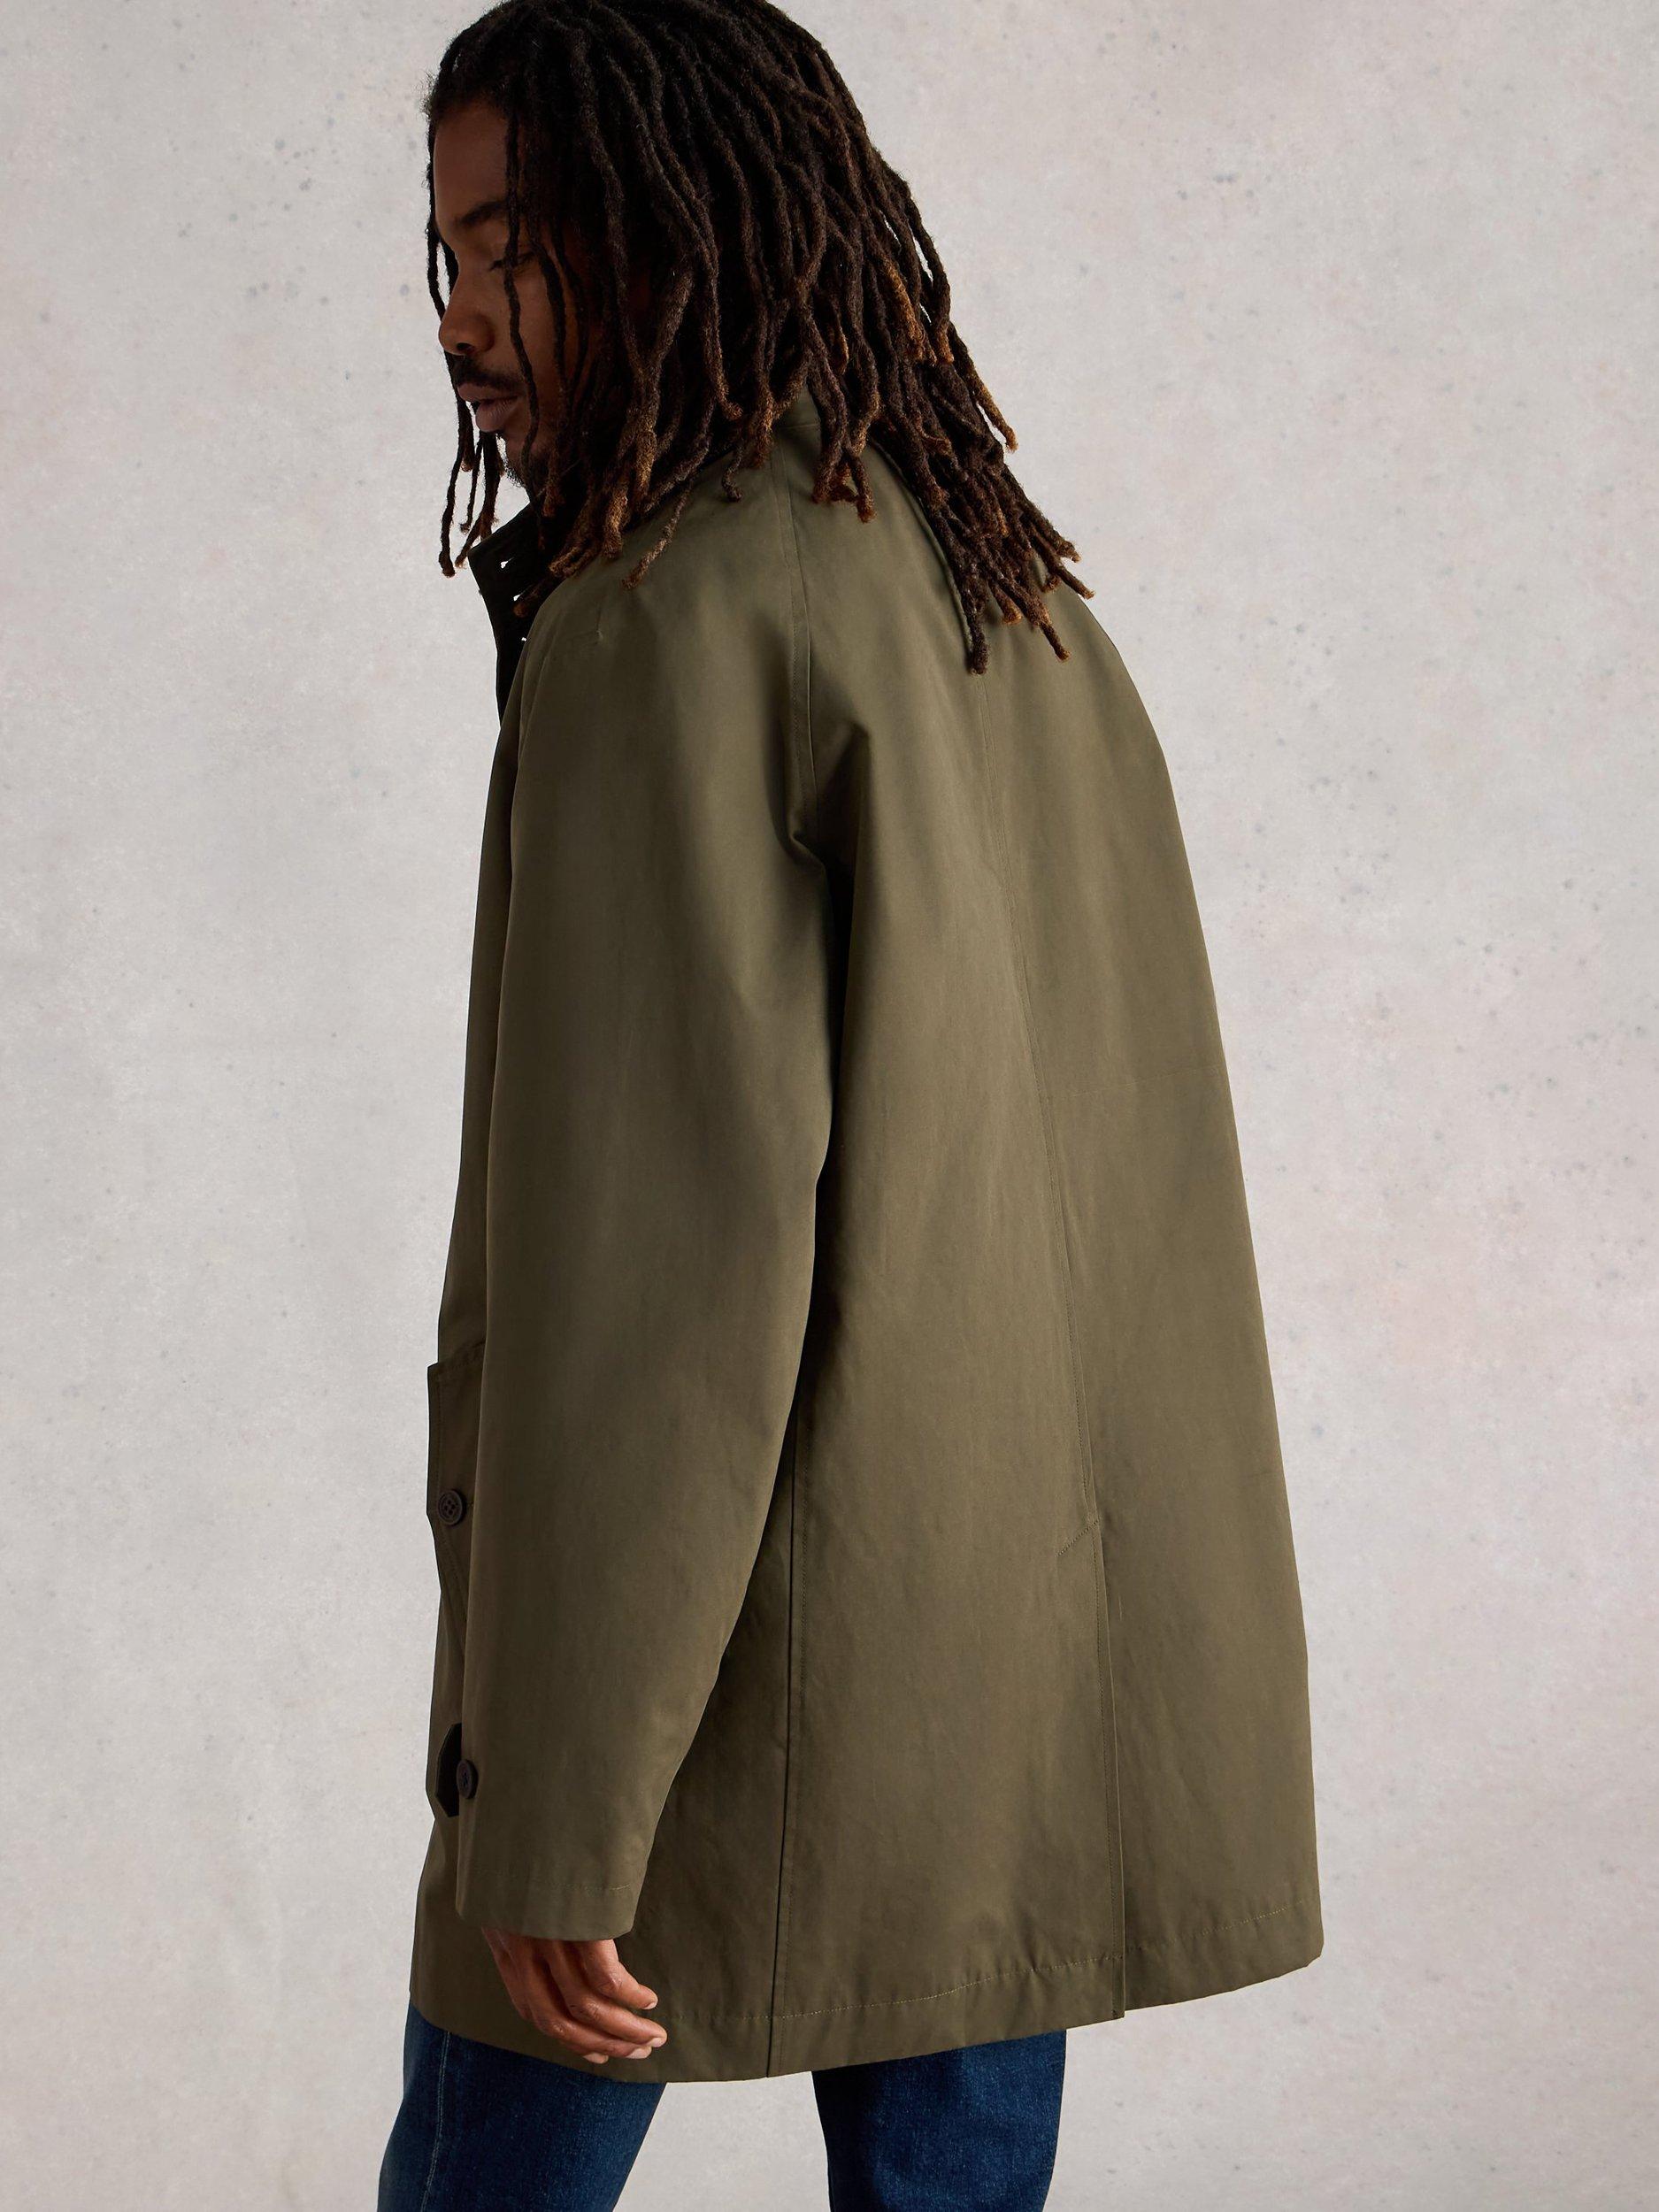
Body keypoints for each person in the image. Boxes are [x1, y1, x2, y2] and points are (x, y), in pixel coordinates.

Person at [378, 3, 1323, 2205]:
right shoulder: (1000, 585)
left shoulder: (669, 622)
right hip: (1004, 1663)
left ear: (671, 226)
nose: (461, 320)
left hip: (726, 1665)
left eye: (509, 245)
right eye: (444, 254)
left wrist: (551, 1801)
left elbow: (652, 1294)